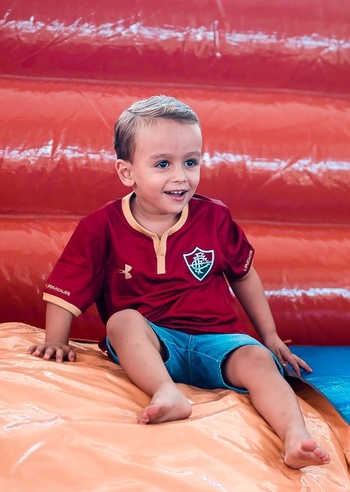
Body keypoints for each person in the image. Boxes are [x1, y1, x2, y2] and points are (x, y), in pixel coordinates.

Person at [28, 95, 330, 470]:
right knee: (123, 321)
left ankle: (295, 437)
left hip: (216, 340)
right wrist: (55, 341)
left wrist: (267, 336)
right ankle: (166, 392)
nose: (180, 176)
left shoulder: (214, 217)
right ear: (127, 172)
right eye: (162, 164)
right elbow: (67, 285)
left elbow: (244, 275)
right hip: (155, 344)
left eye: (191, 162)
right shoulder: (101, 226)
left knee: (257, 359)